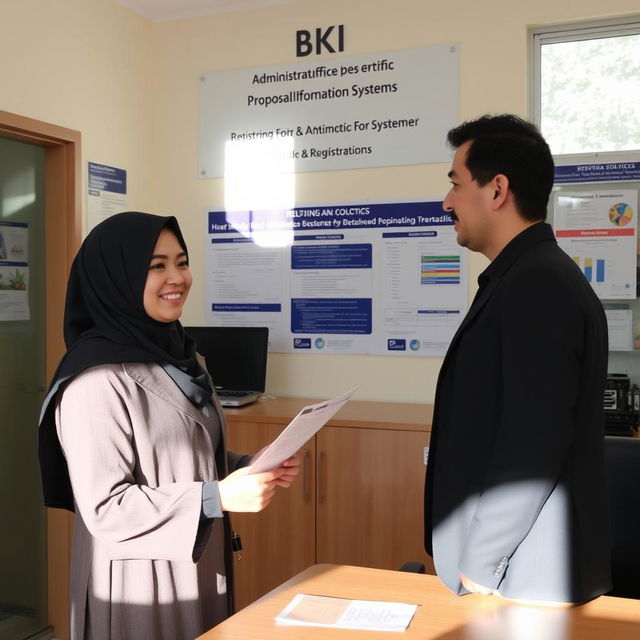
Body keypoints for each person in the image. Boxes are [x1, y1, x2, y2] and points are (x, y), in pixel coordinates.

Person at [38, 211, 299, 639]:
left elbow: (179, 453)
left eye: (181, 261)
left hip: (194, 562)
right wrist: (217, 497)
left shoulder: (182, 356)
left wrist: (245, 466)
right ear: (116, 278)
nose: (177, 277)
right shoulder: (95, 379)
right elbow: (106, 507)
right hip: (138, 584)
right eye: (156, 266)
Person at [424, 114, 611, 605]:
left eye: (455, 185)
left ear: (497, 189)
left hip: (522, 579)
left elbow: (535, 439)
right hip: (515, 571)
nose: (447, 202)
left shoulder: (537, 284)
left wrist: (483, 559)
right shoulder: (525, 276)